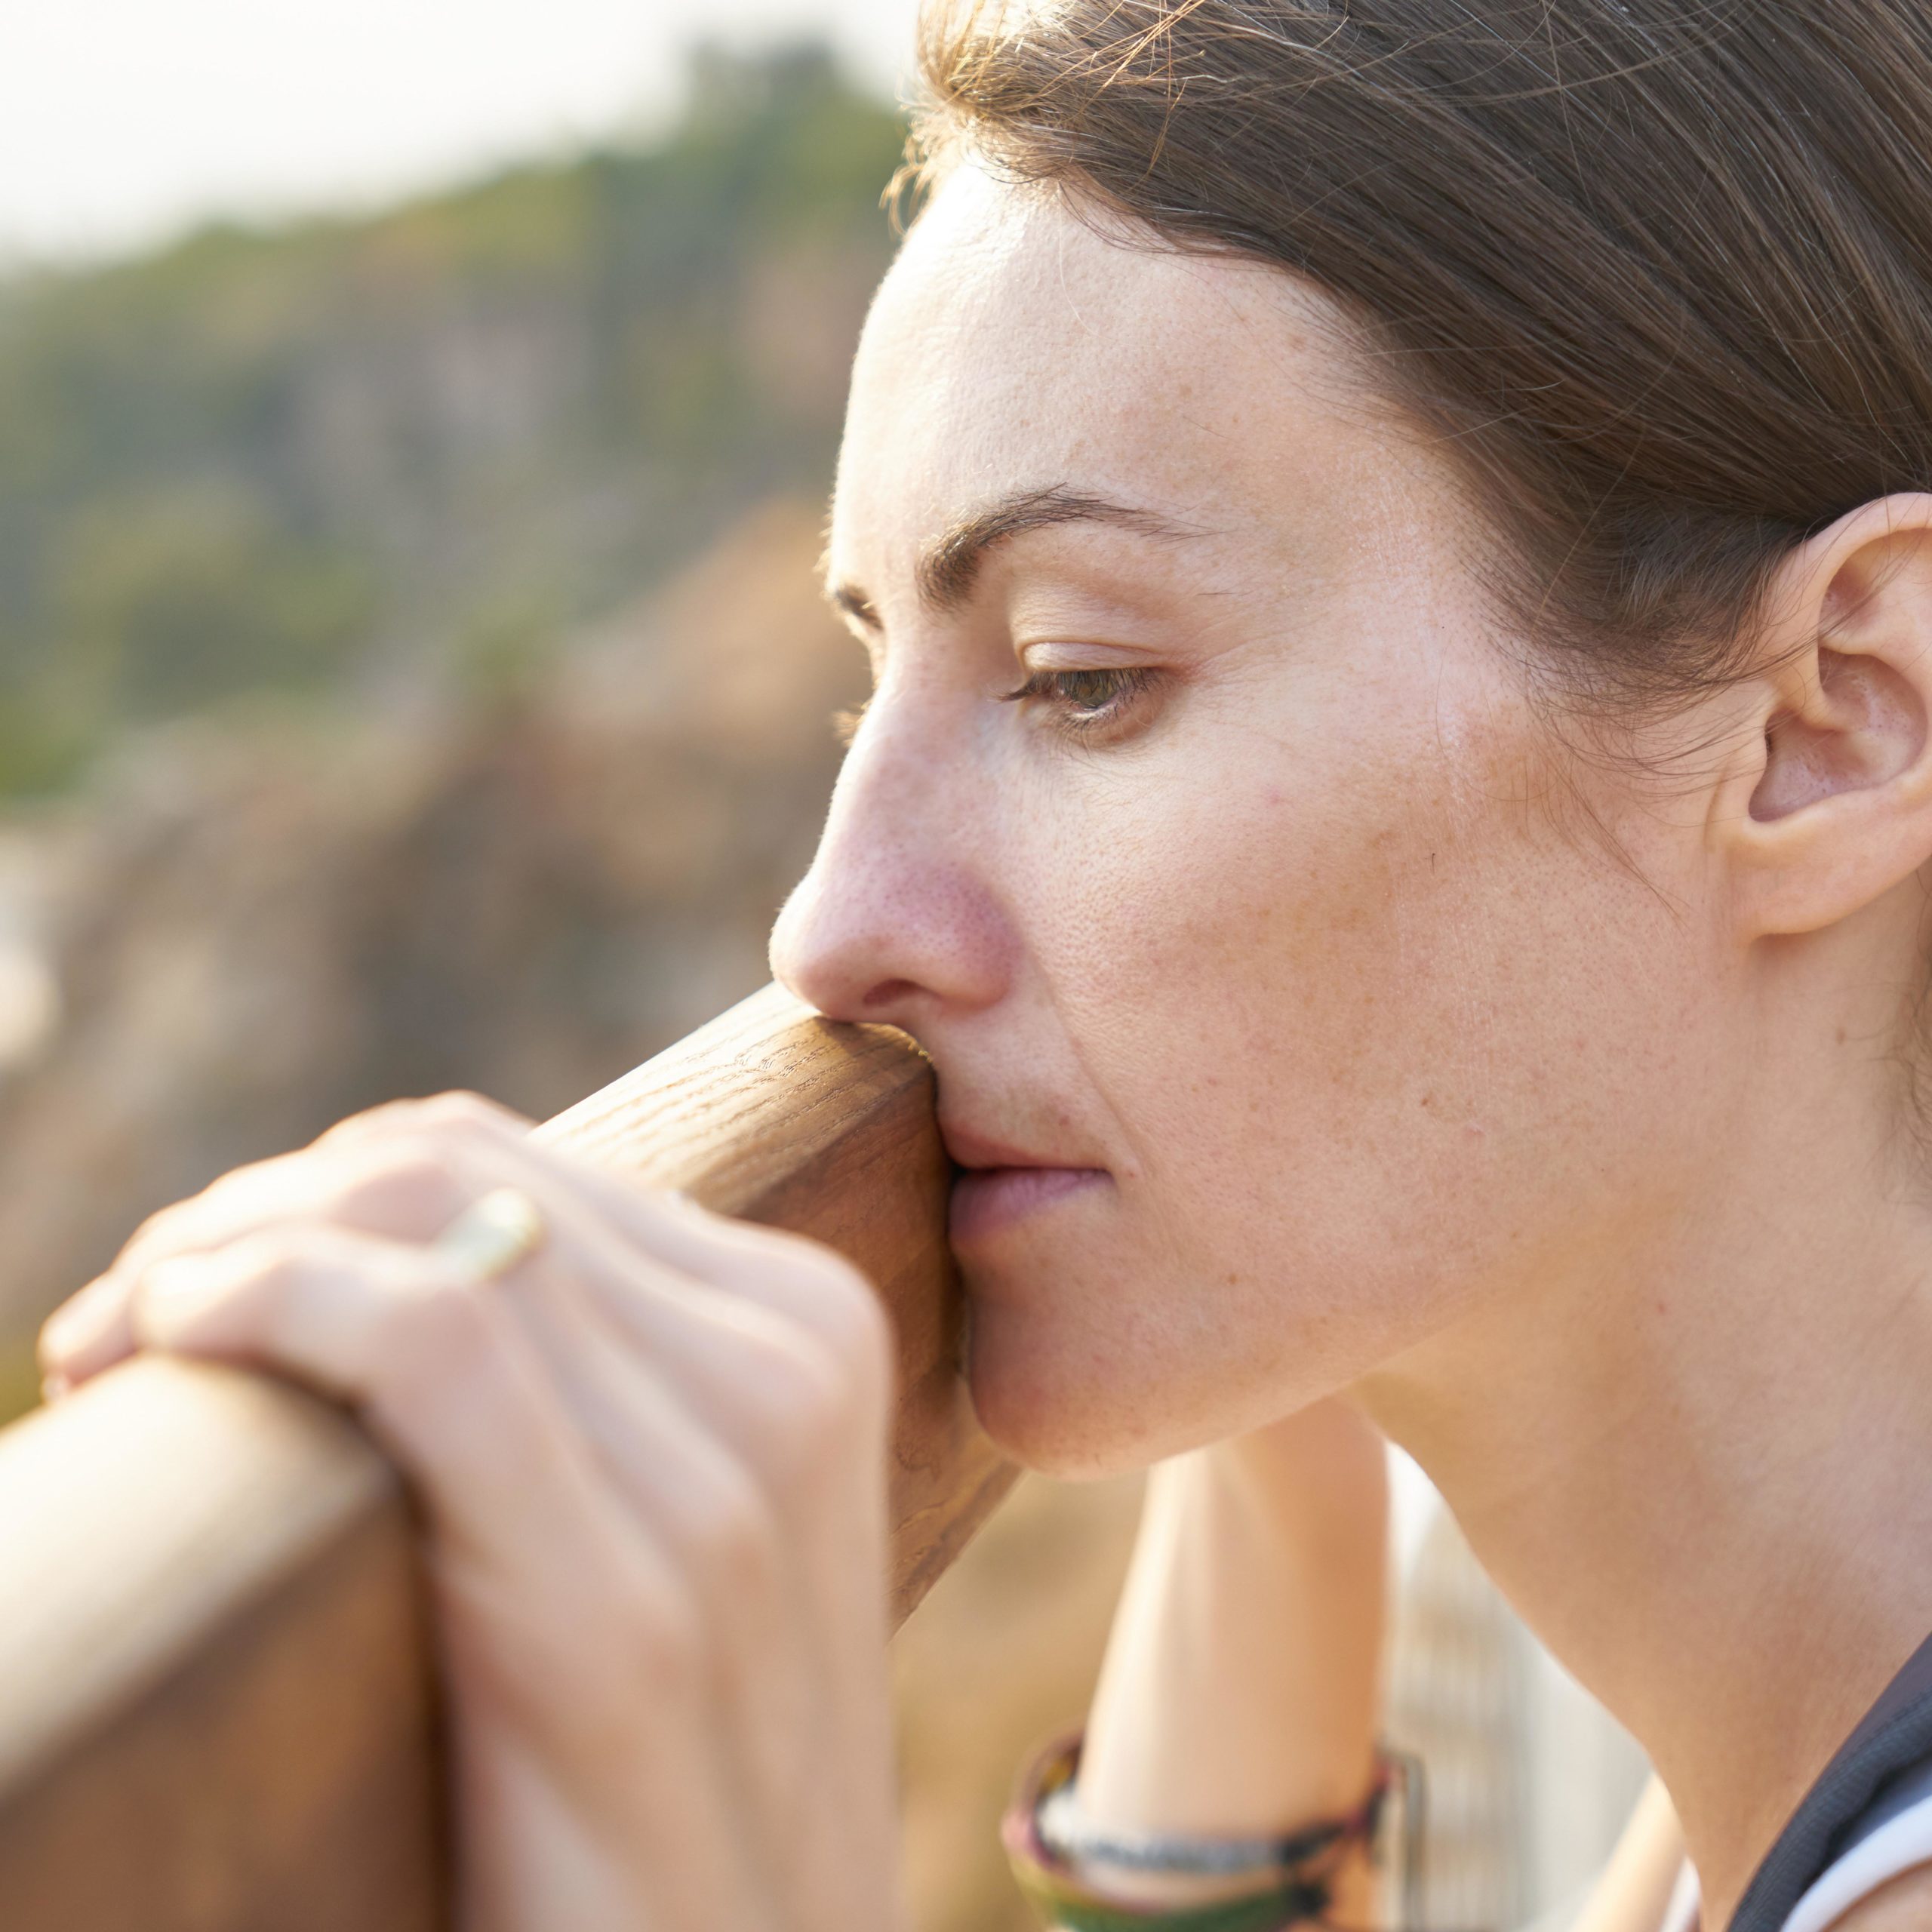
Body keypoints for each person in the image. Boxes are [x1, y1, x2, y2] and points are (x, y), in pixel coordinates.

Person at [37, 0, 1932, 1926]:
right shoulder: (1761, 1763)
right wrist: (1265, 1444)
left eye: (1077, 677)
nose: (824, 929)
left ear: (1825, 722)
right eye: (867, 688)